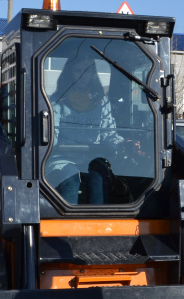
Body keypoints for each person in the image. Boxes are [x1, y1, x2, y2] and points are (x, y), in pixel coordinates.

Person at [46, 51, 129, 204]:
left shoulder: (102, 102)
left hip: (93, 158)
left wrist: (122, 143)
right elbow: (52, 135)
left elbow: (109, 133)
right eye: (78, 70)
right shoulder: (57, 102)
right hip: (63, 158)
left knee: (99, 178)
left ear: (92, 74)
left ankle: (98, 221)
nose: (83, 75)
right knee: (70, 178)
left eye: (87, 71)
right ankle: (68, 224)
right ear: (70, 73)